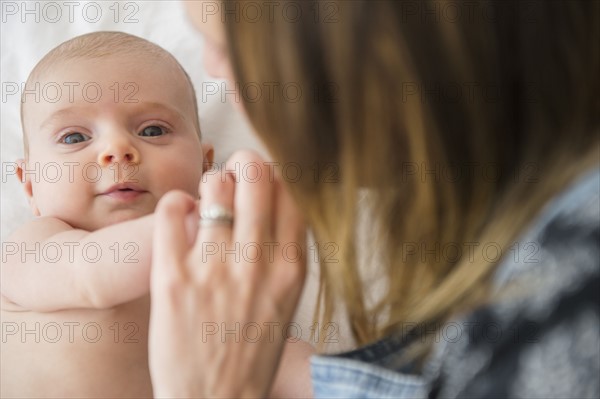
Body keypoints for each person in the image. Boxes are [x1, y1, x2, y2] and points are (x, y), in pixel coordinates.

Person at [147, 1, 600, 398]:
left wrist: (213, 388)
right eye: (73, 136)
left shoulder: (565, 307)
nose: (210, 69)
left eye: (231, 52)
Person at [0, 31, 312, 398]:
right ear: (31, 185)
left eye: (152, 130)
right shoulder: (34, 245)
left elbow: (263, 355)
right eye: (74, 138)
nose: (117, 149)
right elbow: (90, 274)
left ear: (203, 166)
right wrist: (216, 217)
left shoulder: (213, 273)